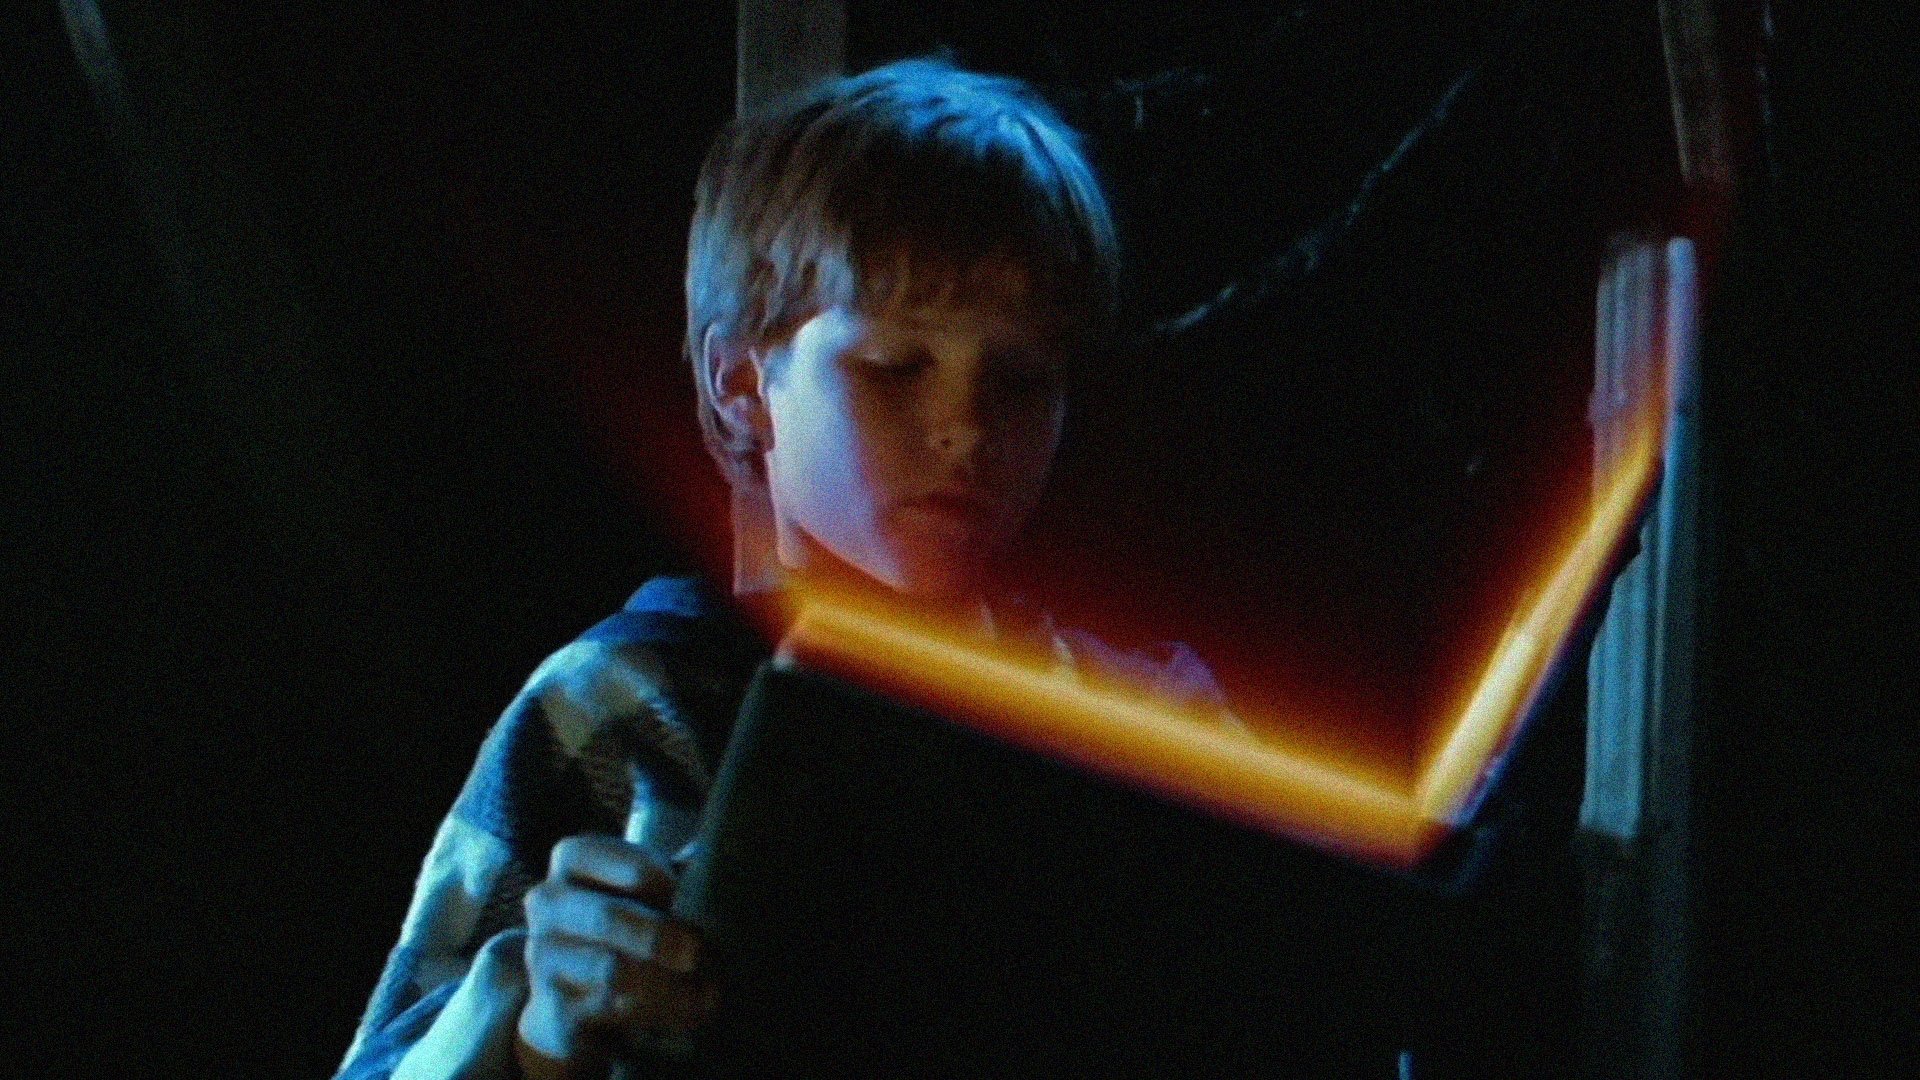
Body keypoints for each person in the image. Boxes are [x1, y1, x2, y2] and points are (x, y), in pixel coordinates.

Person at [332, 56, 1233, 1080]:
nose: (966, 428)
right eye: (895, 367)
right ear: (742, 385)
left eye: (1021, 381)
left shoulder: (1142, 722)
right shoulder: (630, 706)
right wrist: (538, 1038)